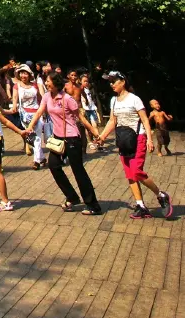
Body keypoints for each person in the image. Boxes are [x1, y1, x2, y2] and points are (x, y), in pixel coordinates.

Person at [96, 72, 173, 219]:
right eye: (110, 82)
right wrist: (102, 137)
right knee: (130, 175)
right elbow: (112, 121)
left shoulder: (134, 99)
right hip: (123, 140)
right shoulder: (113, 100)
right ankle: (141, 206)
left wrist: (150, 139)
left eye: (114, 81)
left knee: (137, 171)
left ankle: (161, 195)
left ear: (123, 82)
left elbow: (145, 120)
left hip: (138, 138)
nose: (111, 84)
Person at [25, 72, 102, 215]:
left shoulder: (67, 99)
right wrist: (30, 126)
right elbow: (39, 111)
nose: (46, 83)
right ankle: (72, 196)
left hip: (72, 138)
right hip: (58, 139)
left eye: (48, 81)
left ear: (55, 83)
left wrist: (95, 133)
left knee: (78, 171)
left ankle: (93, 205)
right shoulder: (47, 96)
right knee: (53, 165)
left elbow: (81, 117)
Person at [11, 64, 46, 170]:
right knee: (32, 137)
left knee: (37, 136)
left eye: (25, 73)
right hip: (25, 115)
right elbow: (15, 99)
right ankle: (42, 158)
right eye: (21, 73)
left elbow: (40, 98)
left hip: (37, 113)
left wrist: (44, 111)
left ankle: (36, 161)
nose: (23, 75)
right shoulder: (17, 86)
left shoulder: (35, 85)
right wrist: (13, 107)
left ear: (29, 74)